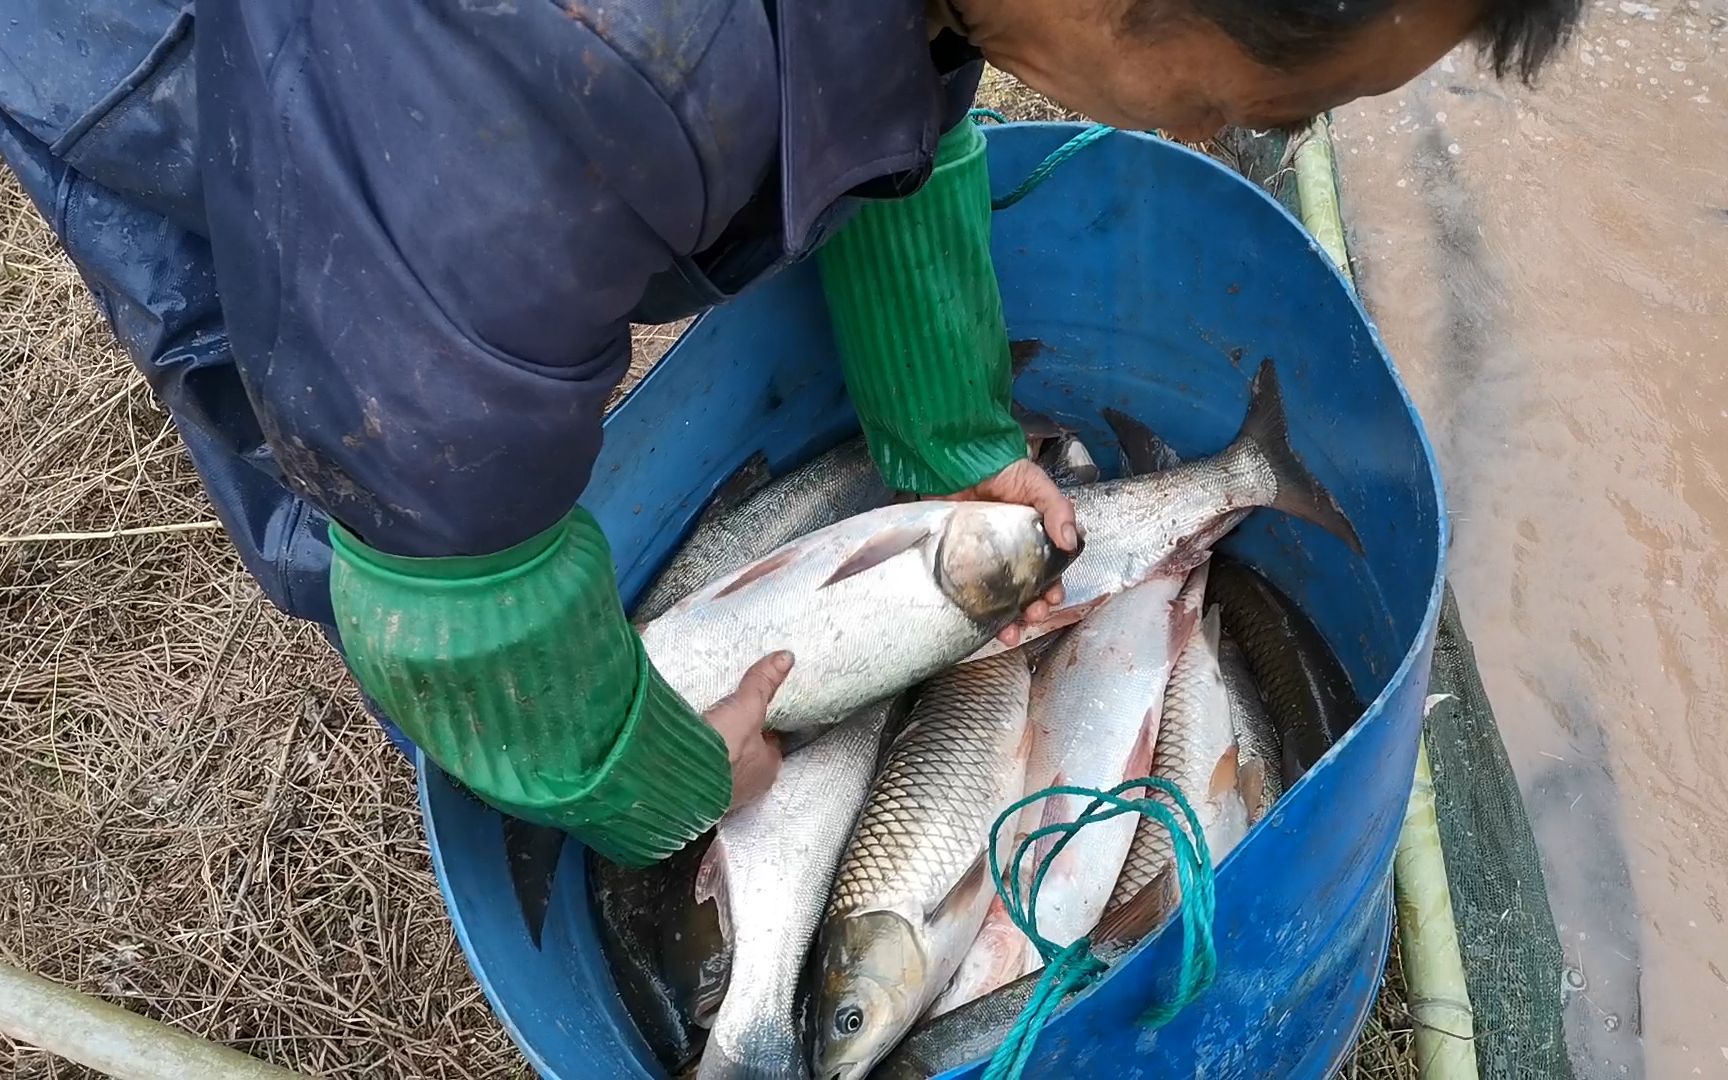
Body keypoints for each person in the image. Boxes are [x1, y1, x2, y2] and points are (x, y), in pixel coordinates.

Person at [0, 0, 1579, 866]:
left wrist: (945, 420)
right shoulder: (554, 103)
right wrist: (644, 776)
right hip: (163, 46)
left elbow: (899, 79)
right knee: (303, 387)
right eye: (1276, 102)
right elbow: (436, 542)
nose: (1241, 137)